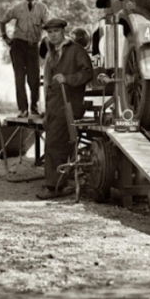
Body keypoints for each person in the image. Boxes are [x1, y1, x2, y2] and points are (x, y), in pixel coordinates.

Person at [37, 19, 93, 200]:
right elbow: (47, 85)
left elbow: (87, 73)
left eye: (56, 31)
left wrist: (68, 79)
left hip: (70, 103)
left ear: (63, 32)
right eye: (50, 32)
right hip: (54, 104)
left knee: (54, 143)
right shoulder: (52, 54)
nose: (52, 35)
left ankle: (53, 186)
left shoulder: (76, 50)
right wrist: (45, 110)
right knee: (55, 143)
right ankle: (61, 182)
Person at [0, 0, 49, 118]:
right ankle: (23, 109)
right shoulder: (17, 8)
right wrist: (5, 37)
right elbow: (2, 20)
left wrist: (49, 39)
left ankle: (34, 108)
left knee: (34, 79)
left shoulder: (42, 8)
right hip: (18, 45)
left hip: (33, 46)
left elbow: (48, 25)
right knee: (19, 78)